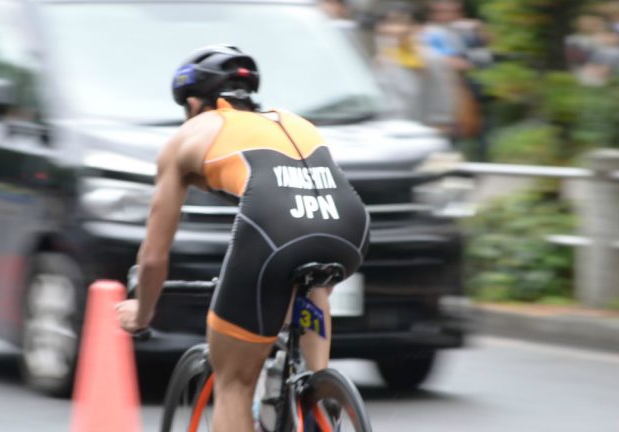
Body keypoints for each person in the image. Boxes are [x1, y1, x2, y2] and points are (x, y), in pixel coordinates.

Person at [116, 45, 369, 432]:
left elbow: (152, 258)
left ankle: (294, 399)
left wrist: (142, 313)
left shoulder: (190, 134)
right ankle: (316, 397)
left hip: (276, 233)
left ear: (197, 101)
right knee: (311, 284)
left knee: (234, 381)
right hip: (350, 230)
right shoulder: (294, 121)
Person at [372, 2, 457, 134]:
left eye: (401, 23)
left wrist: (439, 128)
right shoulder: (380, 60)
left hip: (419, 135)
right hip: (383, 134)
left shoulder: (429, 59)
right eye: (388, 23)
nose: (394, 30)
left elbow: (442, 106)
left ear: (417, 28)